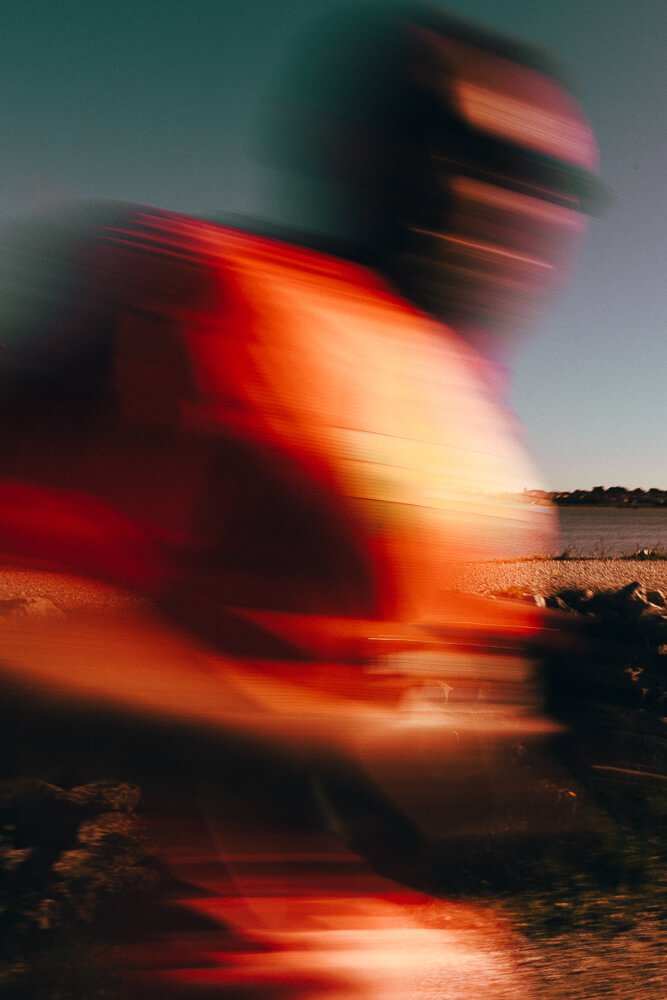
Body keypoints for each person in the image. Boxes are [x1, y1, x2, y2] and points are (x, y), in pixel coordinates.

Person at [0, 3, 603, 995]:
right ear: (358, 146)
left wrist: (547, 694)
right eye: (458, 147)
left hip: (425, 960)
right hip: (214, 965)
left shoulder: (455, 384)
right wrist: (335, 740)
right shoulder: (187, 290)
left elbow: (391, 661)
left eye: (545, 183)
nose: (505, 203)